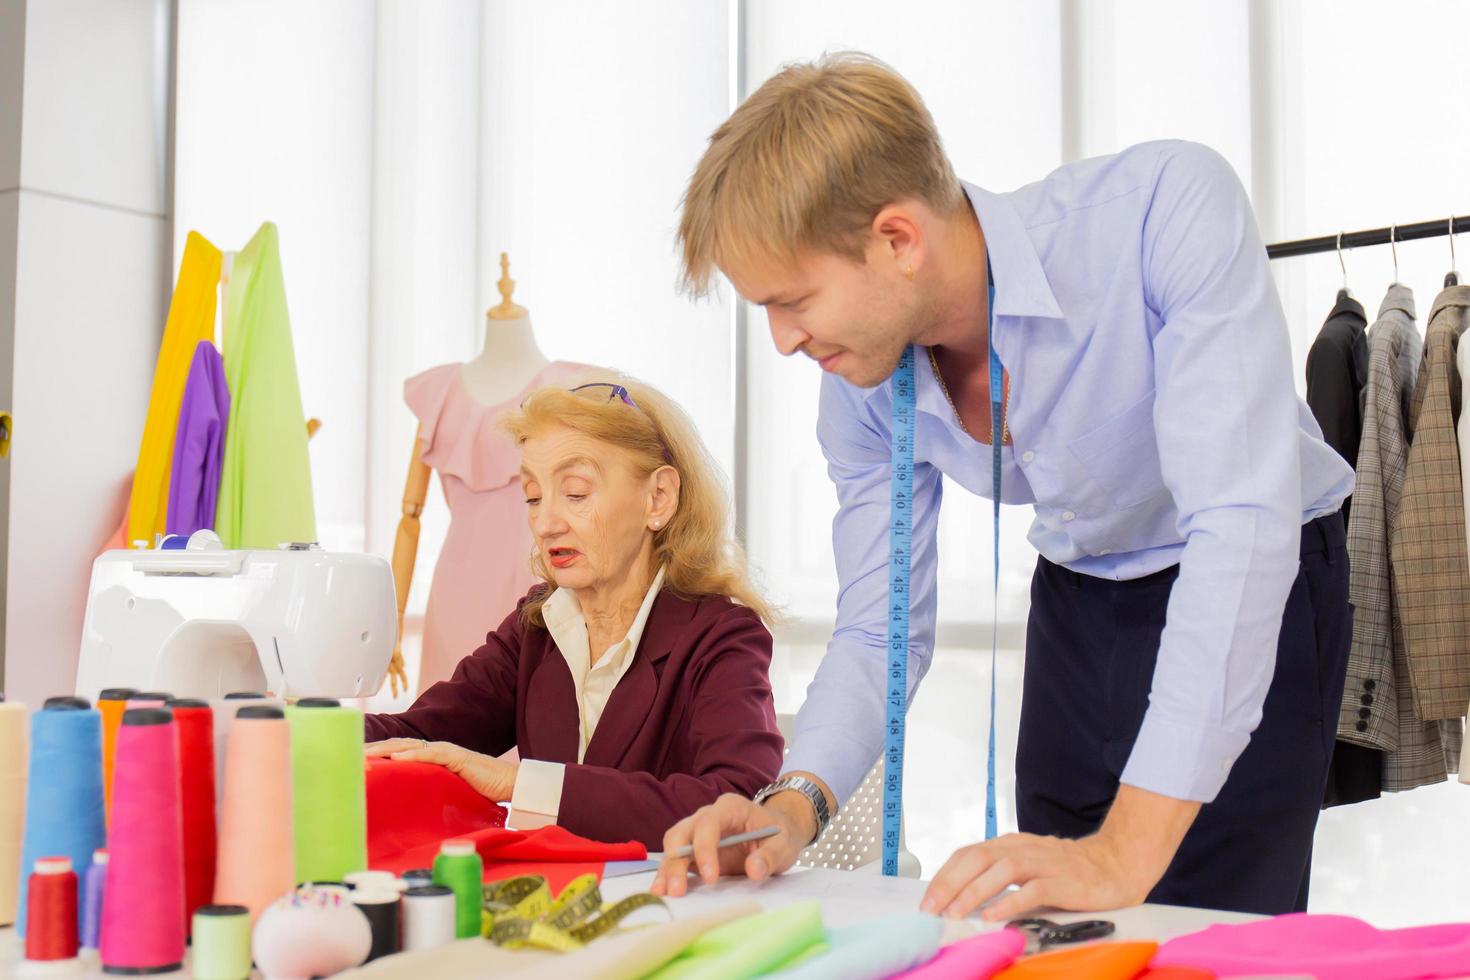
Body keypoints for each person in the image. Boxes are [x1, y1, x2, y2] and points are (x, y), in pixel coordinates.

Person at [655, 53, 1353, 918]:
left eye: (792, 300)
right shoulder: (865, 384)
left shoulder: (1164, 211)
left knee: (1207, 932)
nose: (782, 341)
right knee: (1050, 923)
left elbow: (1241, 526)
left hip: (1260, 577)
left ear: (898, 240)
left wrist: (1127, 848)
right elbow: (880, 631)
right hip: (1078, 593)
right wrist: (792, 805)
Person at [365, 379, 783, 848]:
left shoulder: (722, 638)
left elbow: (738, 803)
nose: (545, 524)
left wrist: (515, 783)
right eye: (533, 497)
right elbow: (417, 734)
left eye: (576, 493)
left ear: (658, 498)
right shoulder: (538, 626)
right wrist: (295, 722)